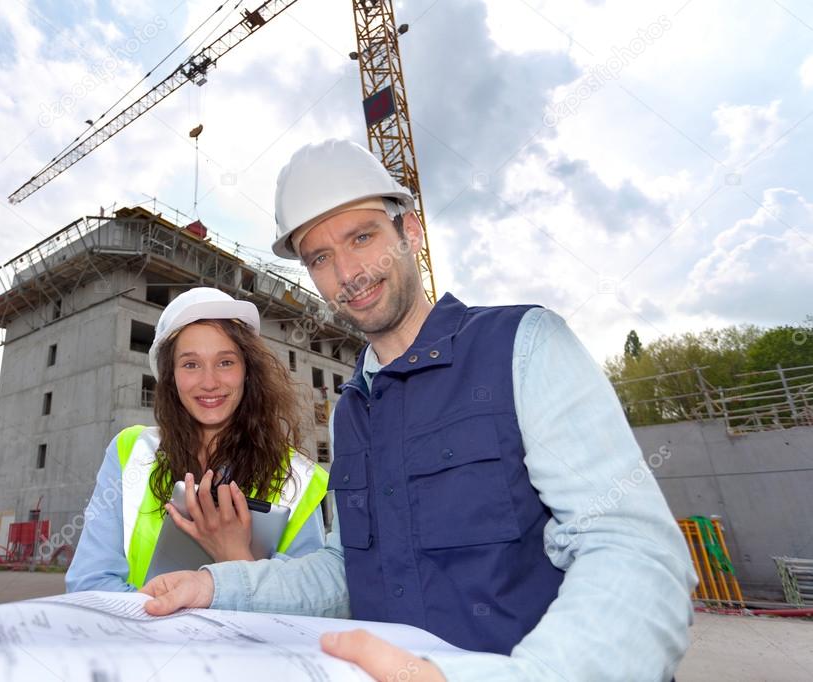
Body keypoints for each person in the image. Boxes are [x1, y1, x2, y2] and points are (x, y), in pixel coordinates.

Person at [141, 140, 698, 680]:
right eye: (321, 258)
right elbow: (347, 571)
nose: (349, 273)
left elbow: (634, 551)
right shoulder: (351, 410)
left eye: (363, 237)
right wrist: (216, 585)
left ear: (408, 232)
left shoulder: (523, 347)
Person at [66, 287, 329, 592]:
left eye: (225, 362)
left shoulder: (299, 477)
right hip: (140, 638)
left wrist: (236, 558)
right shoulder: (130, 452)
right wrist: (164, 612)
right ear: (171, 377)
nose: (209, 382)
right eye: (191, 364)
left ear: (247, 371)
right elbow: (89, 582)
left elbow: (306, 606)